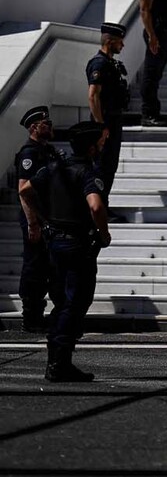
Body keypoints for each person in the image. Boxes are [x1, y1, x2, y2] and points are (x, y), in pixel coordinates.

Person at [18, 121, 110, 381]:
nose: (103, 146)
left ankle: (56, 359)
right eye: (100, 143)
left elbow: (25, 190)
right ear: (92, 148)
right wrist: (104, 234)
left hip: (55, 243)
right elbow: (95, 207)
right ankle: (59, 363)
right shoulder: (88, 172)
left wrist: (41, 221)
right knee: (75, 302)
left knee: (63, 302)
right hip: (77, 244)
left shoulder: (55, 167)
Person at [14, 105, 64, 333]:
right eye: (47, 124)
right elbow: (23, 189)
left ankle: (41, 313)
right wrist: (32, 224)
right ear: (34, 127)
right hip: (36, 218)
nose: (51, 127)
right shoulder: (29, 153)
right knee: (34, 267)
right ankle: (31, 316)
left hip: (49, 217)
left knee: (47, 266)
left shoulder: (48, 151)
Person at [86, 22, 128, 208]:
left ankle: (103, 204)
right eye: (120, 41)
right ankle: (98, 205)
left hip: (113, 120)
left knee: (109, 166)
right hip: (105, 121)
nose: (123, 45)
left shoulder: (111, 63)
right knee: (102, 167)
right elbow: (93, 96)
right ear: (109, 41)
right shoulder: (99, 63)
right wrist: (100, 126)